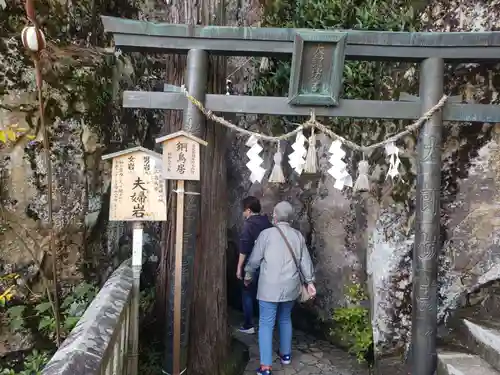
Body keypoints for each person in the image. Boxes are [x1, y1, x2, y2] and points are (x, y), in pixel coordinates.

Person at [244, 201, 316, 375]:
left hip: (269, 287)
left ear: (275, 216)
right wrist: (310, 281)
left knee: (266, 323)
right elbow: (305, 261)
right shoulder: (298, 236)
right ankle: (286, 355)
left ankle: (266, 366)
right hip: (290, 287)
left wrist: (248, 274)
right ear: (290, 218)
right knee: (285, 318)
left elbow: (254, 259)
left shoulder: (266, 235)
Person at [237, 196, 273, 334]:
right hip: (267, 265)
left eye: (243, 211)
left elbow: (244, 248)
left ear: (248, 210)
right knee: (263, 295)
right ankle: (266, 324)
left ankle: (248, 325)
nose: (243, 213)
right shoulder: (267, 223)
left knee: (247, 294)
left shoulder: (249, 225)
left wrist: (239, 267)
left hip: (252, 266)